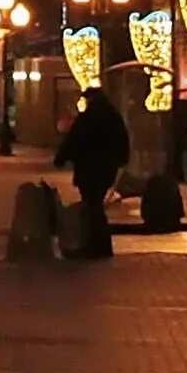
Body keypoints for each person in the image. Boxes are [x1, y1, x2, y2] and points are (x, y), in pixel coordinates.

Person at [54, 87, 131, 259]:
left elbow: (73, 139)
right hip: (105, 169)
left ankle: (96, 244)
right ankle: (100, 244)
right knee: (95, 204)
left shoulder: (87, 118)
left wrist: (61, 158)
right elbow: (122, 141)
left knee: (92, 205)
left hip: (88, 169)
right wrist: (121, 160)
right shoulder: (113, 117)